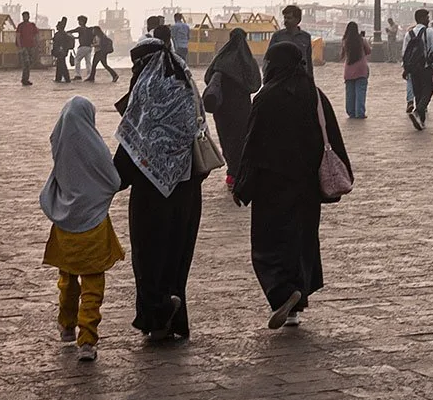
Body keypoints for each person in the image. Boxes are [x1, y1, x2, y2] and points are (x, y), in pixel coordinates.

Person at [235, 43, 352, 329]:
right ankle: (295, 308)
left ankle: (283, 294)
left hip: (272, 187)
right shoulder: (314, 94)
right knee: (301, 241)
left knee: (269, 244)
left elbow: (252, 146)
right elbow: (332, 136)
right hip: (308, 186)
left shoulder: (267, 97)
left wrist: (243, 185)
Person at [114, 29, 205, 341]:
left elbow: (127, 154)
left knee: (150, 257)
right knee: (177, 257)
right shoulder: (185, 86)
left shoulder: (147, 91)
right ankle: (176, 316)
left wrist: (109, 181)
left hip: (152, 198)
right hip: (187, 194)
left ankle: (157, 315)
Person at [40, 97, 125, 363]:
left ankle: (66, 324)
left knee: (67, 278)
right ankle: (87, 339)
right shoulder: (94, 147)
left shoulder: (60, 144)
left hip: (65, 224)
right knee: (93, 283)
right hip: (93, 225)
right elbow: (114, 181)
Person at [204, 26, 262, 186]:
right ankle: (240, 172)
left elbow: (208, 78)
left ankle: (232, 172)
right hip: (242, 107)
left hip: (222, 109)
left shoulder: (220, 59)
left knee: (227, 139)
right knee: (243, 138)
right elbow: (255, 84)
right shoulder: (248, 61)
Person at [401, 8, 433, 130]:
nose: (429, 20)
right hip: (426, 67)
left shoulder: (409, 34)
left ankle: (421, 121)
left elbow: (404, 53)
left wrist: (405, 69)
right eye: (427, 17)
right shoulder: (429, 32)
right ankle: (418, 111)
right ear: (422, 19)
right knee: (428, 90)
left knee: (418, 94)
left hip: (413, 69)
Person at [338, 22, 372, 119]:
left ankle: (351, 112)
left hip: (349, 69)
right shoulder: (361, 40)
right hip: (361, 68)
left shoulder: (345, 41)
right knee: (360, 91)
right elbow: (368, 51)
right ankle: (360, 113)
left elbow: (342, 55)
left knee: (350, 92)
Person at [16, 12, 40, 87]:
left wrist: (37, 44)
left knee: (29, 63)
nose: (25, 17)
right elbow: (18, 36)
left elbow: (36, 34)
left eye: (26, 16)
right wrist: (20, 47)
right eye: (24, 16)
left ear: (29, 17)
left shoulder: (32, 25)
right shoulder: (20, 26)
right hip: (24, 47)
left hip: (31, 46)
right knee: (26, 62)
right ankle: (24, 79)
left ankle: (26, 78)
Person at [74, 15, 98, 80]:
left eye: (79, 21)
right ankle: (89, 75)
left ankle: (77, 75)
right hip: (89, 47)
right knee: (88, 62)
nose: (78, 22)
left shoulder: (80, 28)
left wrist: (69, 35)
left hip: (82, 47)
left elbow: (71, 31)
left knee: (77, 60)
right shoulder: (89, 30)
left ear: (82, 21)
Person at [51, 18, 74, 84]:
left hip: (60, 51)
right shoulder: (64, 34)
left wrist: (58, 50)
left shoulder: (59, 34)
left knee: (62, 65)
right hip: (63, 51)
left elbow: (58, 43)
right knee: (60, 64)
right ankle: (59, 78)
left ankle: (66, 78)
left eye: (57, 26)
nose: (56, 26)